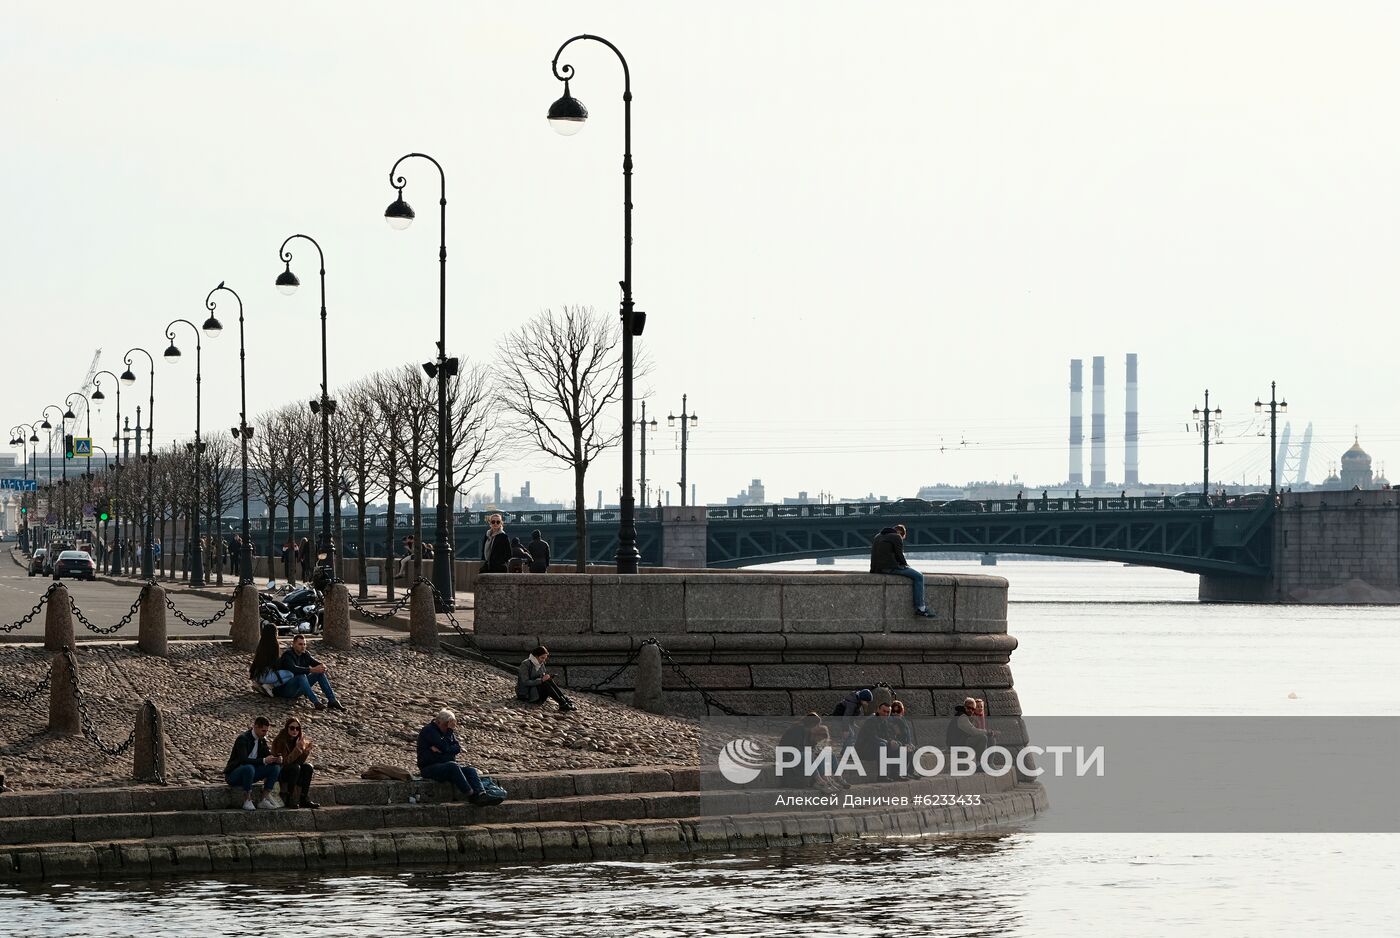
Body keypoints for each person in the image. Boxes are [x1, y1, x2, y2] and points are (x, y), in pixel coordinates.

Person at [416, 708, 491, 804]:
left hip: (444, 766)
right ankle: (471, 794)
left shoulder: (447, 733)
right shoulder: (429, 730)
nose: (447, 729)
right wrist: (448, 738)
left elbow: (457, 748)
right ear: (438, 722)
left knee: (471, 770)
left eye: (449, 727)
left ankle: (481, 794)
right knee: (453, 765)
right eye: (445, 726)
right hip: (429, 768)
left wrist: (443, 750)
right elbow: (444, 746)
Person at [869, 524, 936, 618]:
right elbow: (899, 555)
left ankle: (921, 608)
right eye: (903, 537)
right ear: (901, 533)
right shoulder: (896, 537)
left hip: (876, 569)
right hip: (890, 568)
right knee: (918, 576)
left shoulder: (878, 536)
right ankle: (921, 608)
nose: (902, 539)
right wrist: (906, 566)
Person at [224, 716, 282, 810]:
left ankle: (263, 799)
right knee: (248, 767)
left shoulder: (262, 740)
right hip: (235, 774)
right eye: (263, 731)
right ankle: (247, 800)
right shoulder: (242, 739)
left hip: (252, 773)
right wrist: (263, 761)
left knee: (275, 768)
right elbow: (243, 760)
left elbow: (267, 754)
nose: (265, 733)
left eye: (266, 731)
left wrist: (275, 759)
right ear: (255, 727)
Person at [276, 634, 343, 710]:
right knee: (301, 676)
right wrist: (311, 670)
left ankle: (332, 700)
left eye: (304, 644)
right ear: (294, 644)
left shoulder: (305, 654)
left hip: (299, 689)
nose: (303, 646)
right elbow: (294, 669)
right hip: (286, 689)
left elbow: (315, 663)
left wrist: (322, 666)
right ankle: (316, 702)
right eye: (300, 644)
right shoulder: (287, 655)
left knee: (319, 673)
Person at [270, 716, 318, 809]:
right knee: (295, 767)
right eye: (292, 728)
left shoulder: (298, 740)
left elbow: (299, 762)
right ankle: (290, 798)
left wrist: (305, 752)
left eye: (297, 728)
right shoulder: (280, 740)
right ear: (287, 728)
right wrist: (297, 749)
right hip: (280, 771)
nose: (294, 730)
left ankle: (304, 798)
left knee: (308, 767)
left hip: (294, 769)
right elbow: (284, 761)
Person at [517, 645, 576, 711]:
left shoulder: (541, 664)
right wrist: (541, 680)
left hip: (537, 691)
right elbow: (525, 682)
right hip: (526, 694)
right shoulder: (525, 664)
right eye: (542, 658)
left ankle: (564, 700)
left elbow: (542, 677)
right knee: (545, 683)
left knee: (549, 680)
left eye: (545, 658)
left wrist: (546, 678)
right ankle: (562, 703)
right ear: (536, 656)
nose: (543, 660)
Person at [249, 622, 294, 696]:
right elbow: (276, 663)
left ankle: (259, 684)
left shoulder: (261, 645)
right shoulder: (274, 645)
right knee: (290, 674)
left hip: (257, 675)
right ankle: (270, 686)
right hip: (266, 676)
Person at [945, 697, 995, 761]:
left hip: (960, 741)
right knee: (982, 738)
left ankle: (989, 763)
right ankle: (979, 763)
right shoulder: (962, 717)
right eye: (969, 708)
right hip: (955, 745)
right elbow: (972, 731)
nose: (971, 710)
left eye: (973, 709)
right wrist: (986, 732)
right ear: (965, 707)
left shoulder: (966, 716)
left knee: (990, 738)